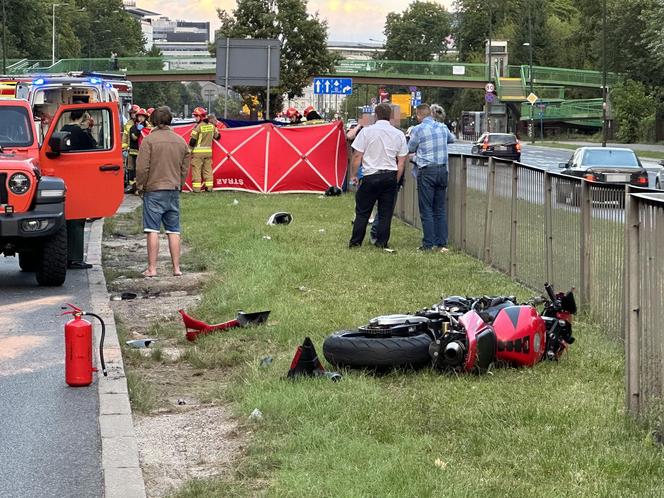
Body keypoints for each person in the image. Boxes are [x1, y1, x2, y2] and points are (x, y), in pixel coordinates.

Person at [135, 106, 191, 277]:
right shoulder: (180, 141)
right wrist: (179, 183)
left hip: (154, 190)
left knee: (152, 229)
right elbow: (185, 167)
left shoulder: (149, 140)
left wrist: (140, 186)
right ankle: (176, 268)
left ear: (153, 121)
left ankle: (152, 269)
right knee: (173, 230)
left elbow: (142, 168)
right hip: (173, 189)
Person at [348, 103, 407, 249]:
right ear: (391, 116)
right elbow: (401, 162)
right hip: (390, 176)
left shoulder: (367, 132)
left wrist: (354, 175)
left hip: (370, 176)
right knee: (385, 213)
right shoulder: (398, 134)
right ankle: (381, 243)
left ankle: (356, 242)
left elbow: (357, 156)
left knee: (362, 212)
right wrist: (396, 179)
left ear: (375, 115)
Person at [408, 103, 455, 252]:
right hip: (442, 171)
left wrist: (415, 158)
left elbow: (409, 148)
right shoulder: (443, 127)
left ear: (419, 115)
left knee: (426, 208)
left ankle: (428, 244)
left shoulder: (418, 129)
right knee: (440, 208)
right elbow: (452, 139)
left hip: (427, 171)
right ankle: (442, 243)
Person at [60, 110, 99, 269]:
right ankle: (75, 258)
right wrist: (88, 130)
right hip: (79, 178)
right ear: (84, 117)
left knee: (68, 219)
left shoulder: (62, 130)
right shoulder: (80, 133)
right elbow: (94, 146)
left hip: (65, 178)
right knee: (78, 219)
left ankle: (66, 256)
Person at [189, 107, 219, 193]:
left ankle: (196, 189)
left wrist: (189, 150)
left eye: (196, 116)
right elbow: (218, 136)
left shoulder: (198, 127)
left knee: (196, 170)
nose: (195, 118)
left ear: (200, 116)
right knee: (208, 170)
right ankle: (209, 188)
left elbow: (192, 141)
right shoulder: (212, 126)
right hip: (208, 153)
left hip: (198, 153)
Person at [123, 104, 139, 192]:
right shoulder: (128, 123)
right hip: (130, 149)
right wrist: (124, 147)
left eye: (134, 113)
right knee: (130, 168)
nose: (133, 115)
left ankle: (138, 185)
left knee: (138, 168)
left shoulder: (143, 123)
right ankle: (132, 186)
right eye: (131, 113)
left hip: (140, 149)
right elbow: (125, 136)